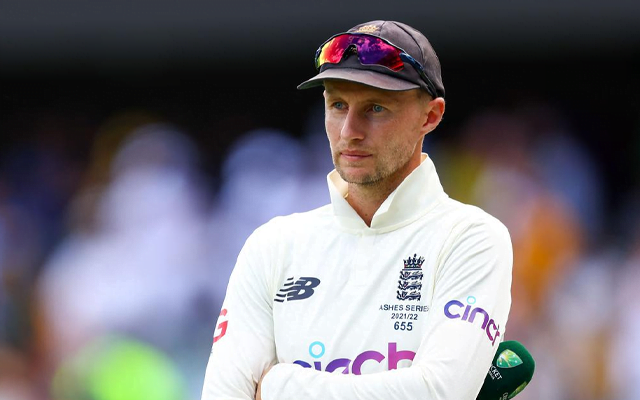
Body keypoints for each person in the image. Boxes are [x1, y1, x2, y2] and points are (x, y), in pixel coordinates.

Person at [201, 20, 513, 400]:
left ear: (430, 116)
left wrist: (280, 386)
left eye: (376, 108)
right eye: (337, 105)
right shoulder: (273, 245)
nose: (350, 131)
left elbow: (437, 392)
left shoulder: (471, 238)